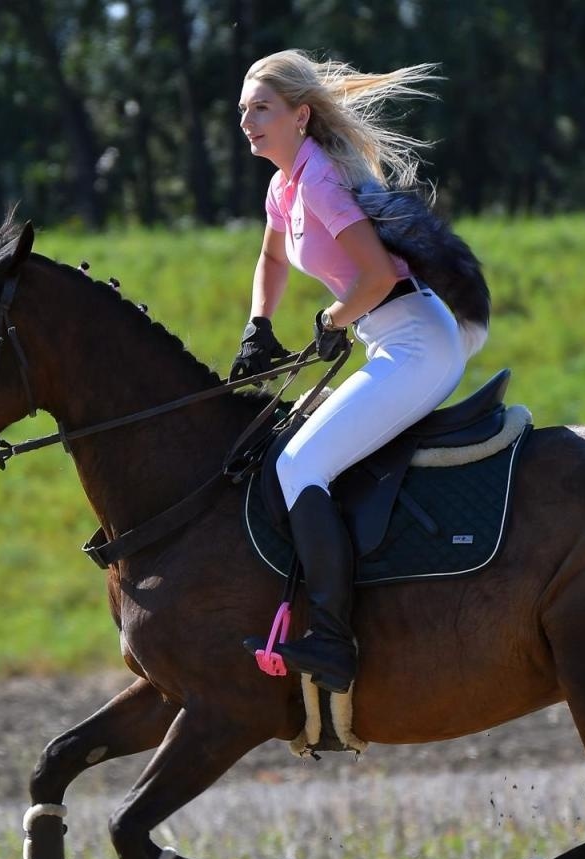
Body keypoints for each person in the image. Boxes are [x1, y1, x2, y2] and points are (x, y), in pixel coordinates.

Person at [234, 50, 490, 695]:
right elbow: (271, 257)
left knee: (299, 466)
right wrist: (257, 325)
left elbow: (376, 278)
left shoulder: (318, 179)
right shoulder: (283, 184)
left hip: (416, 345)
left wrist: (332, 320)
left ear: (300, 115)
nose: (247, 122)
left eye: (261, 108)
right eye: (242, 111)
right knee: (293, 454)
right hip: (394, 340)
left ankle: (331, 640)